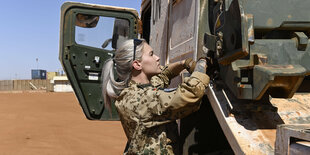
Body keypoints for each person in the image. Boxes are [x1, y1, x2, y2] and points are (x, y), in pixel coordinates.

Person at [102, 39, 210, 154]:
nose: (157, 57)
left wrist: (183, 64)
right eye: (151, 54)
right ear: (137, 64)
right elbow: (190, 94)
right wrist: (202, 64)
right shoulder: (141, 99)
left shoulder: (135, 89)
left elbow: (163, 75)